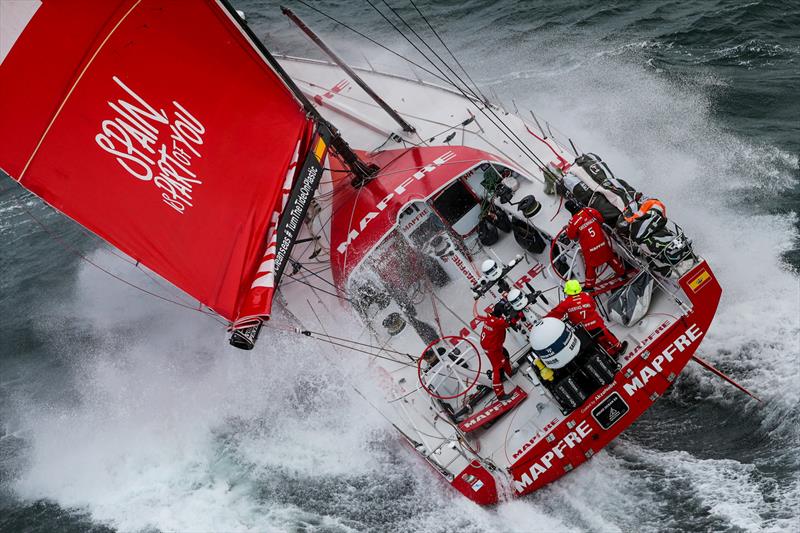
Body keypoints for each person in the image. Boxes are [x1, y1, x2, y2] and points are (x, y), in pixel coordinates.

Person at [545, 280, 627, 357]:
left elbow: (554, 314)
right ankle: (620, 348)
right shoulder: (586, 296)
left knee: (599, 342)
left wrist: (544, 321)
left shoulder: (565, 304)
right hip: (597, 324)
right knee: (608, 335)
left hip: (585, 330)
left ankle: (612, 354)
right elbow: (593, 306)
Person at [563, 200, 626, 289]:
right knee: (610, 258)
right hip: (602, 242)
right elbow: (600, 219)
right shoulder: (589, 210)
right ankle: (623, 273)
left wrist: (566, 229)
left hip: (591, 250)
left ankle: (589, 287)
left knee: (590, 267)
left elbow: (571, 236)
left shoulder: (572, 222)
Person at [480, 303, 514, 400]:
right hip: (492, 348)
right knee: (497, 368)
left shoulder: (490, 316)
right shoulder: (498, 322)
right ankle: (500, 394)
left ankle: (509, 373)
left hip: (491, 345)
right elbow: (510, 323)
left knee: (505, 355)